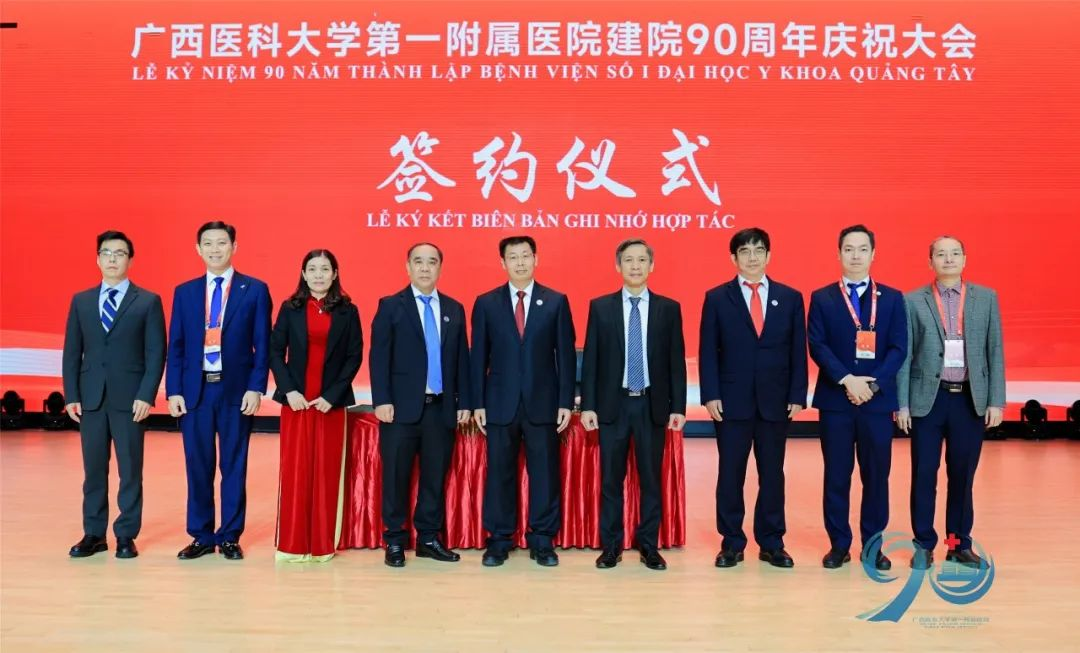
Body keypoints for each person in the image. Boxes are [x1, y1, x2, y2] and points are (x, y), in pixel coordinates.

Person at [699, 227, 808, 569]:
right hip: (731, 402)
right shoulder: (717, 298)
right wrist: (710, 394)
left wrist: (797, 393)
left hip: (776, 401)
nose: (752, 257)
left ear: (768, 255)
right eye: (744, 251)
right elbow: (708, 350)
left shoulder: (790, 297)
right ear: (733, 258)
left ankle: (772, 542)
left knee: (772, 474)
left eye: (758, 250)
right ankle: (731, 543)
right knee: (730, 474)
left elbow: (797, 350)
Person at [166, 221, 272, 561]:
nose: (215, 249)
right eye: (208, 243)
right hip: (195, 392)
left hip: (235, 392)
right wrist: (173, 390)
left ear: (234, 247)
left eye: (222, 243)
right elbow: (176, 345)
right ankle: (201, 536)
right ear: (198, 249)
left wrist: (256, 387)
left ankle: (229, 536)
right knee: (197, 466)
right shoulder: (185, 292)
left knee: (233, 466)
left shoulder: (254, 290)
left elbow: (263, 345)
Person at [897, 235, 1004, 569]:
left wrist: (996, 401)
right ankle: (923, 545)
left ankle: (958, 545)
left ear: (964, 259)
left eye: (955, 253)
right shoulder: (912, 300)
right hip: (927, 401)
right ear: (930, 262)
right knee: (923, 475)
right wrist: (902, 404)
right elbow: (905, 355)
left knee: (962, 476)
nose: (948, 259)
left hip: (969, 400)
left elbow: (995, 350)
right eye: (941, 254)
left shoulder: (986, 298)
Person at [581, 239, 686, 571]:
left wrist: (678, 406)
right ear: (618, 266)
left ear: (651, 265)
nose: (636, 266)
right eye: (629, 260)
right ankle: (611, 546)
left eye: (642, 260)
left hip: (651, 406)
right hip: (613, 406)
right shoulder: (601, 307)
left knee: (651, 480)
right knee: (611, 481)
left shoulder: (669, 308)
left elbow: (676, 361)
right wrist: (589, 406)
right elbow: (592, 360)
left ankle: (649, 546)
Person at [471, 236, 576, 567]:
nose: (520, 262)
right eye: (513, 257)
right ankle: (499, 540)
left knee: (544, 474)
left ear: (536, 259)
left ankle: (542, 540)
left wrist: (565, 401)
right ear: (502, 262)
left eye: (525, 256)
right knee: (499, 474)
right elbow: (478, 358)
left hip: (543, 404)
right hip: (499, 403)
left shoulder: (556, 301)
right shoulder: (486, 303)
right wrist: (478, 402)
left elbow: (566, 356)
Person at [807, 225, 907, 570]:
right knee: (837, 476)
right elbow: (817, 345)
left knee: (876, 477)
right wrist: (848, 380)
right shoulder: (822, 297)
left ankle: (873, 546)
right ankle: (839, 545)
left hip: (876, 403)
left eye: (862, 249)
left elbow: (898, 348)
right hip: (836, 402)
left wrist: (873, 385)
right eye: (848, 249)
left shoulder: (892, 298)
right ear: (838, 254)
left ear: (873, 254)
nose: (855, 255)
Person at [63, 230, 166, 559]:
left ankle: (125, 534)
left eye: (119, 253)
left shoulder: (147, 301)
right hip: (91, 398)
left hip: (130, 400)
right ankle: (94, 534)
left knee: (130, 470)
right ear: (97, 259)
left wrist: (146, 395)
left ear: (130, 260)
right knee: (94, 470)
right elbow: (72, 352)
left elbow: (156, 353)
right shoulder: (81, 301)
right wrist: (71, 394)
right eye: (106, 253)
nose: (112, 259)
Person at [369, 242, 471, 567]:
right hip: (400, 410)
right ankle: (394, 541)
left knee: (434, 478)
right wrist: (382, 399)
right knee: (396, 477)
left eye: (431, 262)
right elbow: (378, 357)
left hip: (440, 409)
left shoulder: (454, 309)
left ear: (440, 267)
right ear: (408, 267)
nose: (425, 268)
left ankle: (428, 538)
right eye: (418, 262)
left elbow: (462, 360)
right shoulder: (390, 306)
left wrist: (464, 401)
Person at [269, 249, 363, 562]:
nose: (318, 275)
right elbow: (275, 352)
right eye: (312, 269)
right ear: (303, 274)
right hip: (296, 403)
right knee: (296, 472)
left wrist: (332, 396)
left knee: (326, 472)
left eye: (325, 269)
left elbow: (354, 357)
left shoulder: (348, 311)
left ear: (335, 274)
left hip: (329, 405)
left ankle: (323, 544)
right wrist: (290, 391)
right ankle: (292, 544)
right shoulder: (290, 308)